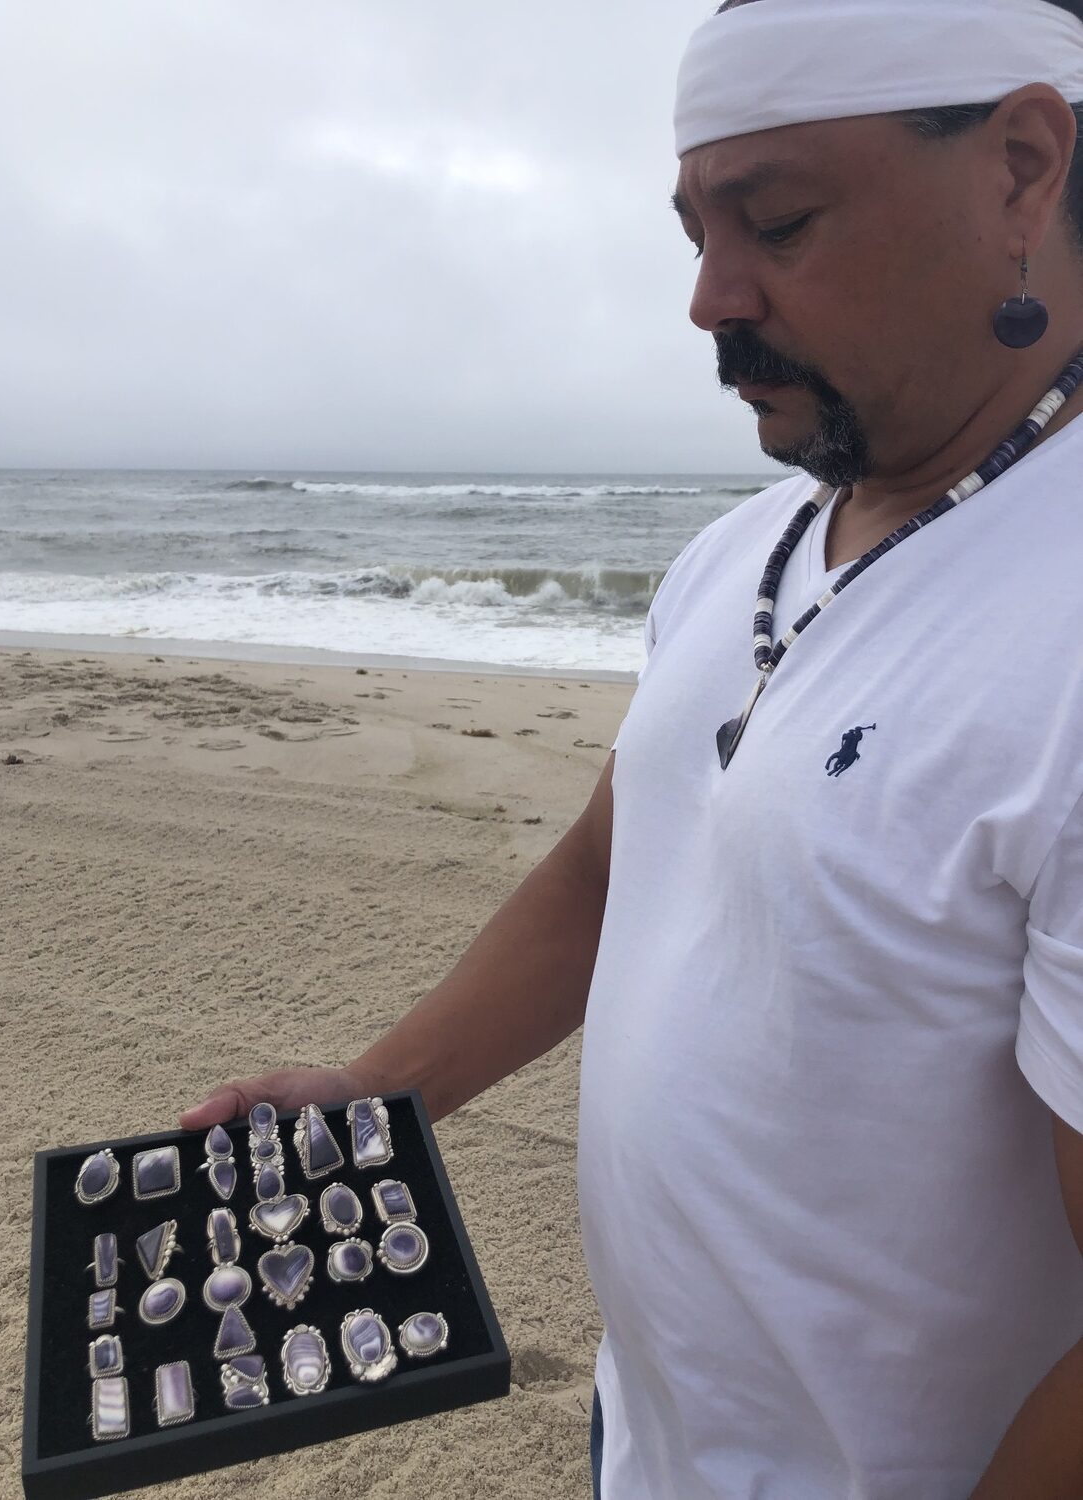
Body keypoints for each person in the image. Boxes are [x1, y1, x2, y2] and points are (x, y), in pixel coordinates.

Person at [181, 0, 1083, 1493]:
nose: (708, 297)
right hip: (652, 1435)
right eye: (692, 234)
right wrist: (380, 1093)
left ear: (1020, 169)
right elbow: (620, 859)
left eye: (776, 221)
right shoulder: (745, 552)